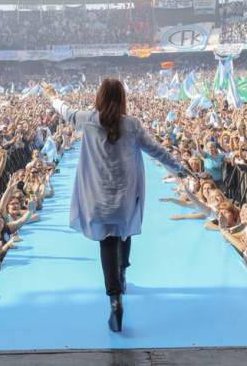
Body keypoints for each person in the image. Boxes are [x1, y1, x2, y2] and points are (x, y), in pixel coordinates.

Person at [42, 78, 190, 332]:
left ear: (99, 97)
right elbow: (156, 150)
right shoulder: (131, 125)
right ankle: (122, 273)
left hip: (98, 199)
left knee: (107, 242)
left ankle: (114, 301)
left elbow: (63, 110)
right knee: (124, 229)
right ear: (123, 98)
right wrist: (180, 169)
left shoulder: (87, 119)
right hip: (124, 199)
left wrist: (52, 95)